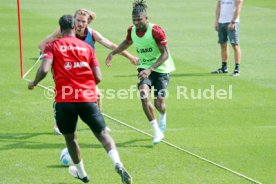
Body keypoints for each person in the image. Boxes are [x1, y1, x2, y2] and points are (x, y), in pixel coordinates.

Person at [28, 15, 132, 184]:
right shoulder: (87, 47)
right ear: (75, 27)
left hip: (65, 101)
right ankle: (117, 162)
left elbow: (45, 69)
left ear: (60, 29)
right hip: (87, 99)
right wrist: (87, 85)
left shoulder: (52, 46)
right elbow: (98, 76)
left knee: (71, 138)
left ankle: (83, 175)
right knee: (103, 134)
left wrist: (34, 82)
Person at [38, 8, 138, 135]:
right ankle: (58, 123)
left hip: (85, 71)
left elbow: (112, 45)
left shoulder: (92, 34)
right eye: (78, 20)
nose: (80, 24)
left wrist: (130, 57)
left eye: (83, 21)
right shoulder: (63, 31)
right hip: (67, 70)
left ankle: (99, 123)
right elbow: (43, 43)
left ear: (88, 22)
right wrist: (48, 58)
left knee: (97, 96)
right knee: (64, 95)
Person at [105, 0, 175, 144]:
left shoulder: (156, 30)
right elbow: (127, 42)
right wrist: (114, 52)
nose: (136, 22)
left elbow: (165, 54)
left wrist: (151, 69)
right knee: (143, 95)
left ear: (146, 18)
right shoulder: (132, 30)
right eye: (134, 20)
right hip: (144, 68)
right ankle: (156, 131)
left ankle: (163, 115)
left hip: (161, 69)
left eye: (139, 19)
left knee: (159, 103)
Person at [212, 0, 243, 76]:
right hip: (221, 22)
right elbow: (219, 6)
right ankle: (224, 67)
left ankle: (237, 69)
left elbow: (239, 5)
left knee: (235, 45)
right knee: (223, 44)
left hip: (232, 22)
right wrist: (216, 21)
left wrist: (233, 21)